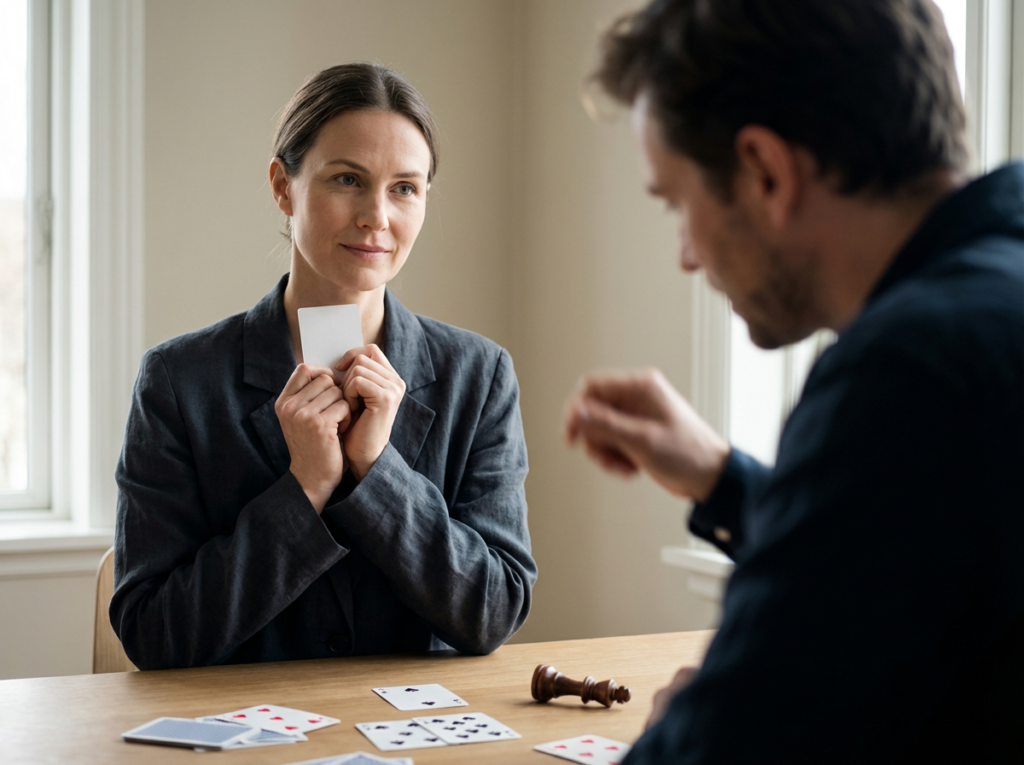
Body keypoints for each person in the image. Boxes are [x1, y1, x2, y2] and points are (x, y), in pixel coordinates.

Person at [564, 0, 1024, 762]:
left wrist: (687, 725)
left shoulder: (909, 371)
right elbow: (903, 559)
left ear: (765, 173)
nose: (685, 254)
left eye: (679, 203)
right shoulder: (990, 306)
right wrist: (723, 478)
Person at [111, 63, 536, 669]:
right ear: (283, 187)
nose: (377, 217)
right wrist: (305, 486)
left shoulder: (481, 376)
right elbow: (153, 635)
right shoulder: (179, 383)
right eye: (347, 179)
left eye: (405, 188)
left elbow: (494, 611)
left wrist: (377, 473)